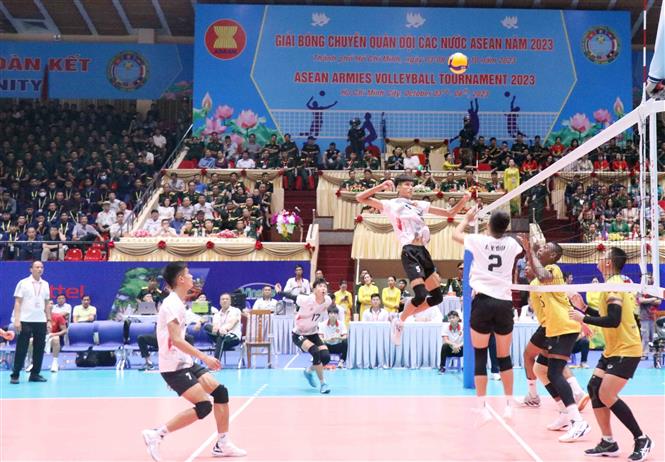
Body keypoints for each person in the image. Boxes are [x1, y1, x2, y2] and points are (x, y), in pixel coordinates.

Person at [142, 262, 246, 460]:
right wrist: (205, 357)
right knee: (204, 406)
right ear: (181, 279)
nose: (192, 277)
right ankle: (156, 434)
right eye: (188, 274)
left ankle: (222, 444)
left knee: (220, 392)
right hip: (174, 366)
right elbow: (176, 340)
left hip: (184, 362)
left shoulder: (179, 302)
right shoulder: (171, 304)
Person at [356, 175, 470, 344]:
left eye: (412, 185)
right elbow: (360, 198)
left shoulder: (419, 205)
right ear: (398, 187)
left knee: (437, 298)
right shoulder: (391, 204)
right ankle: (401, 321)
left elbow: (449, 213)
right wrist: (381, 186)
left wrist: (464, 200)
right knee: (421, 294)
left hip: (424, 252)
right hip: (409, 251)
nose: (411, 187)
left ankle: (400, 317)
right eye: (407, 184)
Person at [569, 247, 653, 461]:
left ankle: (641, 438)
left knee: (606, 393)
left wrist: (583, 318)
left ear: (608, 262)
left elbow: (613, 321)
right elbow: (606, 315)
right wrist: (584, 308)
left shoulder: (614, 285)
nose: (599, 259)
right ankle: (608, 441)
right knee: (594, 388)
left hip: (627, 348)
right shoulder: (611, 284)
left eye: (603, 256)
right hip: (613, 349)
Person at [451, 208, 524, 423]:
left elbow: (455, 234)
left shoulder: (478, 240)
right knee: (504, 356)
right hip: (504, 303)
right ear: (506, 228)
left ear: (489, 225)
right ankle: (509, 405)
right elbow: (519, 246)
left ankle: (482, 407)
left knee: (480, 354)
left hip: (482, 302)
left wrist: (467, 219)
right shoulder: (512, 244)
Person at [522, 238, 590, 441]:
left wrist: (530, 251)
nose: (540, 249)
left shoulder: (554, 270)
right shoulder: (537, 280)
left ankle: (578, 421)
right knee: (539, 369)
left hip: (563, 327)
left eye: (545, 248)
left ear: (552, 255)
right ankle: (563, 412)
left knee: (554, 372)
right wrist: (532, 252)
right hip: (552, 328)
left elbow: (543, 275)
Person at [275, 278, 333, 394]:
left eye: (325, 286)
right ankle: (323, 384)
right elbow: (291, 296)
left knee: (325, 357)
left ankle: (308, 371)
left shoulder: (328, 300)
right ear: (314, 289)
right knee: (315, 352)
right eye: (320, 286)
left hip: (313, 333)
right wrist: (279, 292)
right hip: (299, 334)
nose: (323, 288)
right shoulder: (306, 299)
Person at [10, 261, 51, 384]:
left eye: (41, 267)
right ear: (31, 269)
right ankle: (15, 374)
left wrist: (49, 320)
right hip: (25, 320)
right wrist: (17, 319)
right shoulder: (23, 283)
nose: (40, 269)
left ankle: (35, 374)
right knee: (21, 348)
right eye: (37, 267)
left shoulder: (45, 284)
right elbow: (18, 302)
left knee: (39, 348)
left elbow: (47, 303)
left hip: (40, 320)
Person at [206, 294, 242, 359]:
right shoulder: (216, 314)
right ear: (220, 302)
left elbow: (232, 323)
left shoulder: (236, 311)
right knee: (207, 327)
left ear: (230, 302)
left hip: (233, 337)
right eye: (223, 299)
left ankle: (216, 362)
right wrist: (216, 329)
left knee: (221, 337)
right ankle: (216, 362)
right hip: (220, 335)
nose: (225, 301)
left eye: (227, 299)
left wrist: (225, 329)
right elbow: (215, 326)